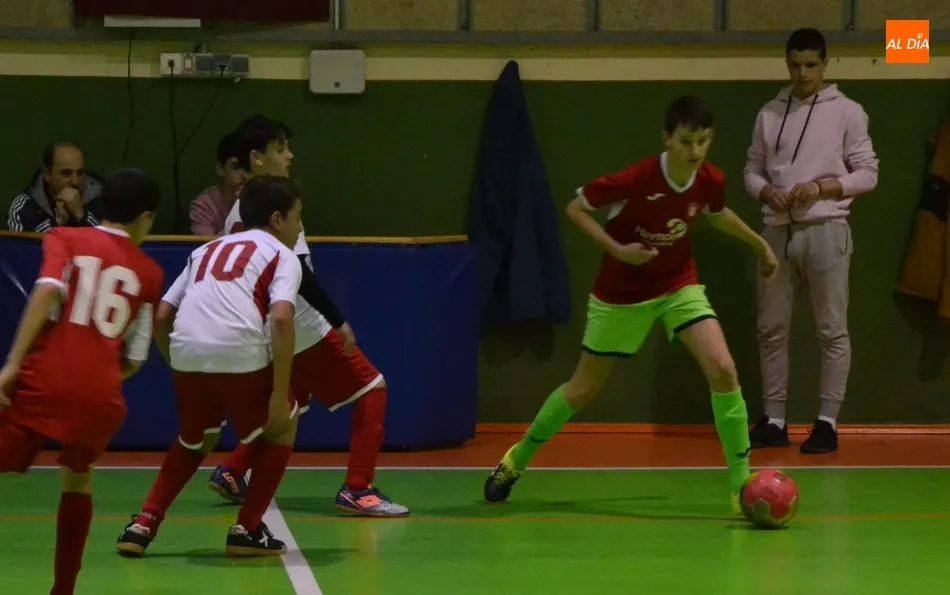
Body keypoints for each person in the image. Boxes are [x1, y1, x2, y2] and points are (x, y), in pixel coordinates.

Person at [483, 96, 780, 513]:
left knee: (723, 369)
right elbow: (576, 208)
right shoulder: (637, 178)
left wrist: (760, 245)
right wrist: (618, 250)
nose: (695, 151)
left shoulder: (709, 179)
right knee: (583, 389)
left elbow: (716, 213)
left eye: (702, 141)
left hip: (677, 286)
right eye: (685, 141)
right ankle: (516, 459)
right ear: (667, 139)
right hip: (620, 295)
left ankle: (740, 486)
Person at [210, 114, 409, 517]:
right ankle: (358, 487)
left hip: (270, 330)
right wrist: (337, 320)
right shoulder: (277, 208)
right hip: (301, 325)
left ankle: (233, 470)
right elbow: (298, 274)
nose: (289, 156)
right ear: (257, 159)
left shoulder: (238, 210)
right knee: (373, 389)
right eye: (280, 149)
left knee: (289, 404)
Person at [115, 175, 304, 558]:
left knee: (193, 439)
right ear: (277, 219)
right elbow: (282, 318)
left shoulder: (206, 249)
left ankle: (143, 523)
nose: (300, 228)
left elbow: (163, 314)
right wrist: (279, 395)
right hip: (238, 350)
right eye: (298, 217)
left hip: (186, 350)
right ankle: (247, 529)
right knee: (284, 423)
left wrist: (179, 363)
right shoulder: (283, 255)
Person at [0, 168, 164, 594]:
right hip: (101, 396)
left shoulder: (65, 238)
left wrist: (13, 363)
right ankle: (63, 590)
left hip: (45, 377)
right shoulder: (149, 273)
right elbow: (135, 357)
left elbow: (47, 291)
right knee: (78, 478)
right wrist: (98, 373)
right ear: (145, 218)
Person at [744, 28, 879, 454]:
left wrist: (822, 189)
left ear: (825, 64)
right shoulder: (769, 113)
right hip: (776, 232)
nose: (802, 74)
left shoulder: (848, 112)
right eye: (795, 65)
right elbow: (752, 170)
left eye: (811, 65)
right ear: (787, 65)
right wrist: (767, 192)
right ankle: (774, 420)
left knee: (831, 330)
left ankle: (826, 423)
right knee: (771, 330)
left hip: (827, 231)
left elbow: (868, 174)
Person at [7, 141, 103, 233]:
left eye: (80, 173)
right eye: (66, 173)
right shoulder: (23, 207)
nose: (75, 181)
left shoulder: (100, 200)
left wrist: (82, 216)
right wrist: (57, 222)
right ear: (47, 174)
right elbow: (19, 244)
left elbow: (108, 242)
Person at [189, 131, 247, 236]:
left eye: (248, 167)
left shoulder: (261, 197)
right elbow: (207, 244)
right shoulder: (203, 206)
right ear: (220, 169)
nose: (244, 175)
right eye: (236, 167)